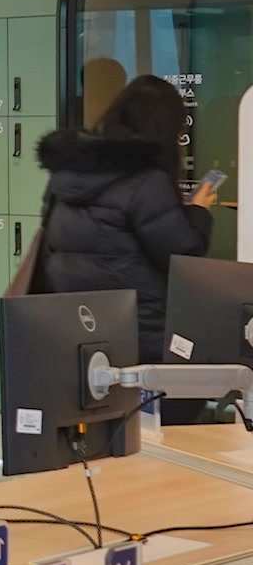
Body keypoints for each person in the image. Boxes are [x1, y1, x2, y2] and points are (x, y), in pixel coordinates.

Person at [36, 74, 215, 365]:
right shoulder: (147, 181)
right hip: (141, 329)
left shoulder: (66, 173)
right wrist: (198, 210)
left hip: (80, 325)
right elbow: (183, 255)